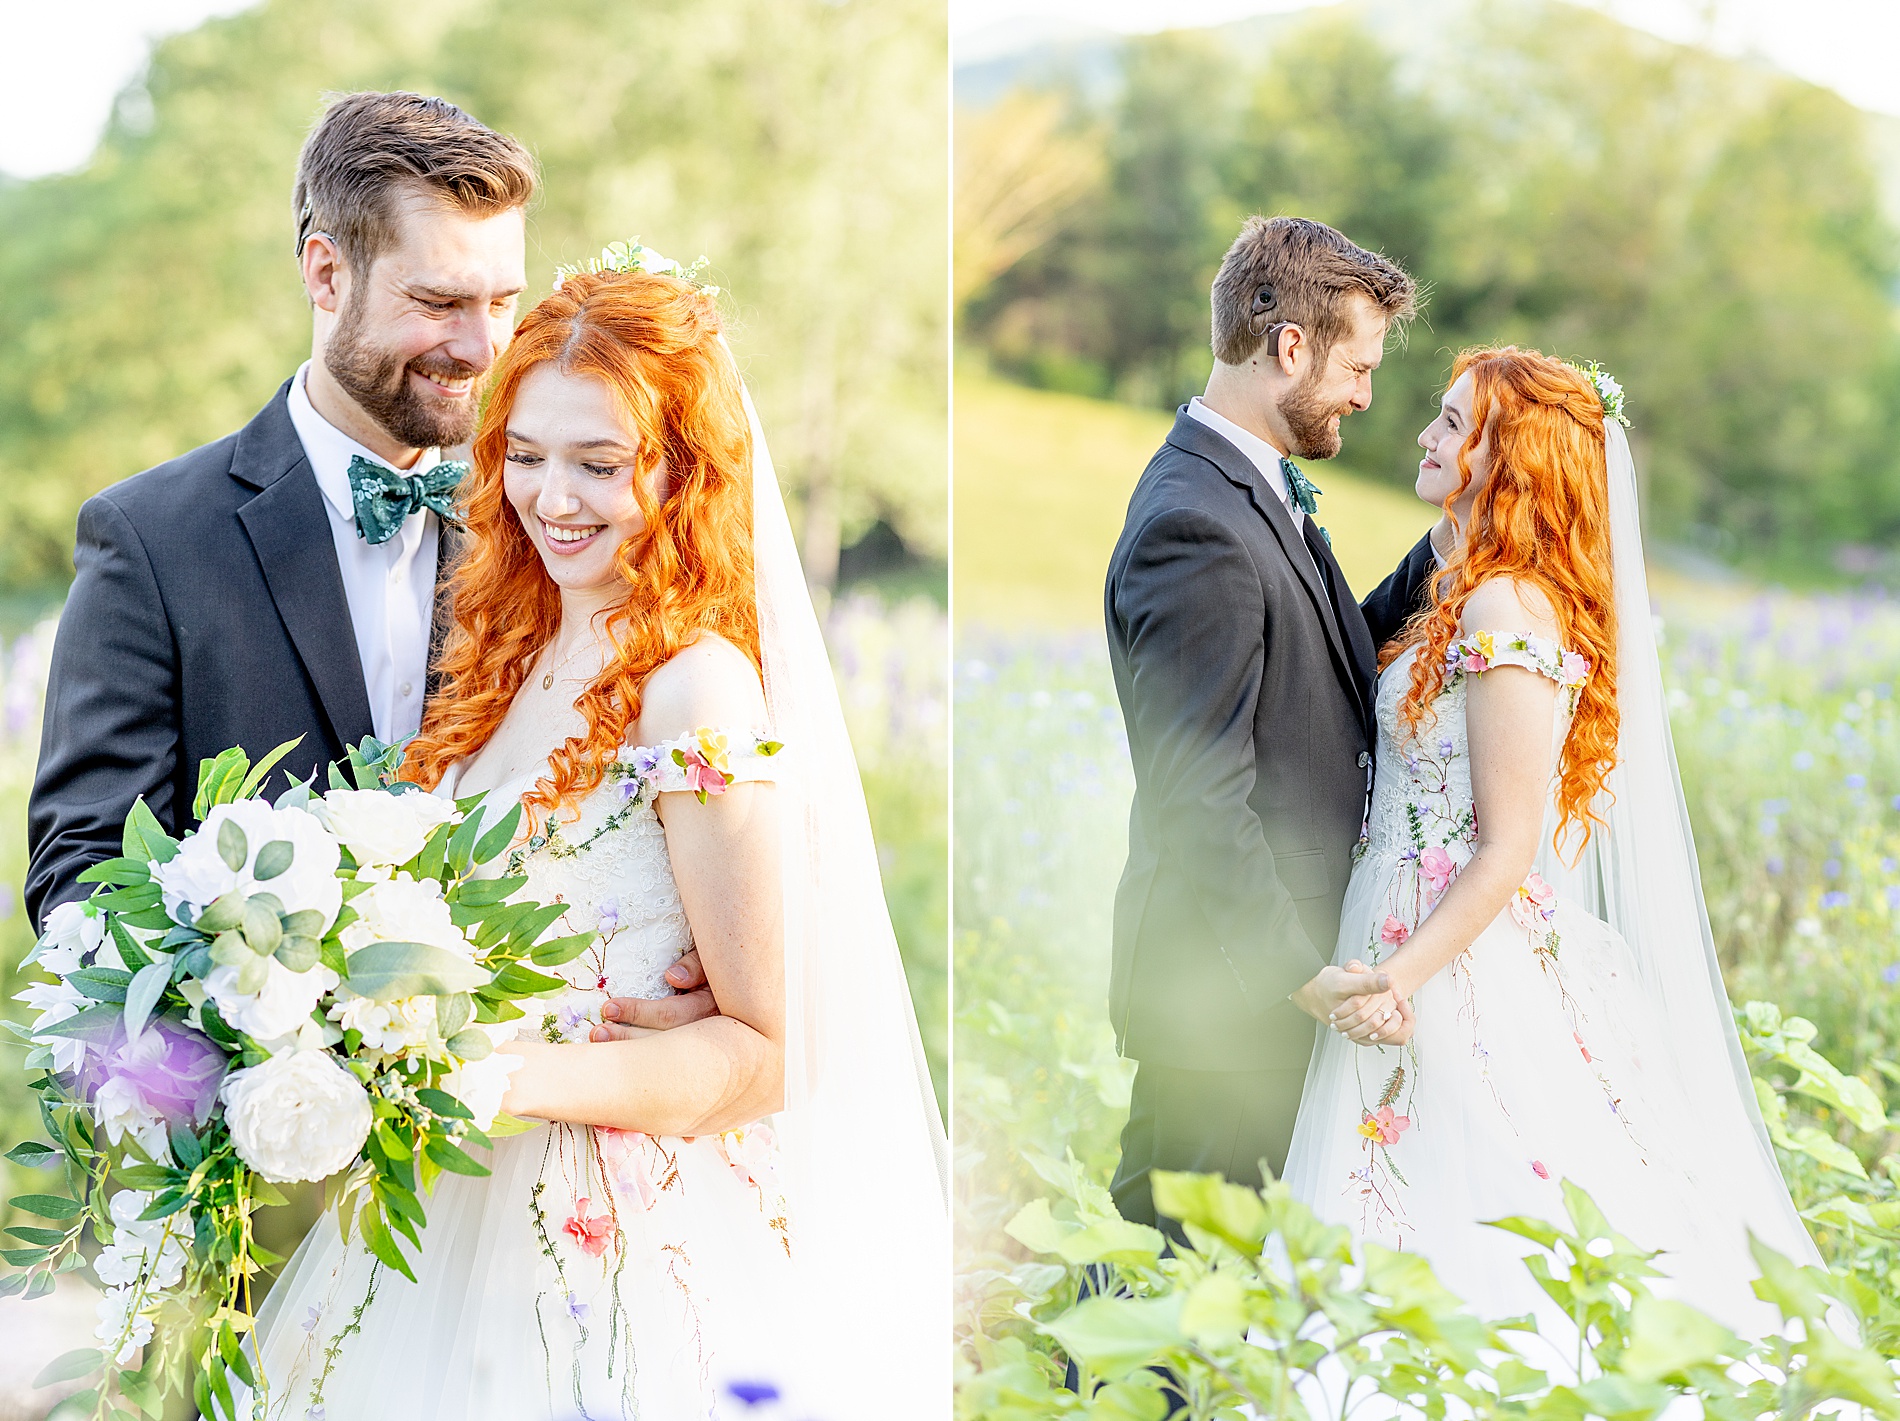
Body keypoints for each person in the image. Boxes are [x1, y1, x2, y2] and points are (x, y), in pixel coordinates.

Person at [244, 255, 948, 1420]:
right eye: (523, 455)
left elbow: (776, 1051)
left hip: (621, 1237)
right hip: (445, 1213)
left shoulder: (695, 691)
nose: (550, 495)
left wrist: (496, 1074)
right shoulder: (503, 660)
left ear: (679, 472)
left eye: (597, 462)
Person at [24, 89, 709, 1034]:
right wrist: (278, 1035)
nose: (481, 348)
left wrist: (672, 972)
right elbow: (82, 884)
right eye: (438, 303)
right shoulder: (151, 541)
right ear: (325, 273)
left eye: (503, 302)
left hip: (516, 1130)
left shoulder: (553, 524)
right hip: (271, 1155)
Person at [1281, 347, 1824, 1342]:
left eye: (1452, 423)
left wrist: (1397, 978)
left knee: (1483, 1195)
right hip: (1396, 913)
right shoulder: (1461, 586)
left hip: (1447, 952)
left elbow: (1510, 844)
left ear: (1513, 457)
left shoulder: (1508, 607)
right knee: (1401, 1194)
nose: (1425, 435)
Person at [1103, 216, 1438, 1233]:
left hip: (1255, 984)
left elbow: (1329, 660)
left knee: (1223, 1293)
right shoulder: (1194, 523)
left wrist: (1454, 541)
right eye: (1359, 367)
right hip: (1226, 991)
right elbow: (1197, 790)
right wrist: (1296, 970)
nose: (1364, 397)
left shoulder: (1243, 483)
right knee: (1166, 1295)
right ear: (1290, 346)